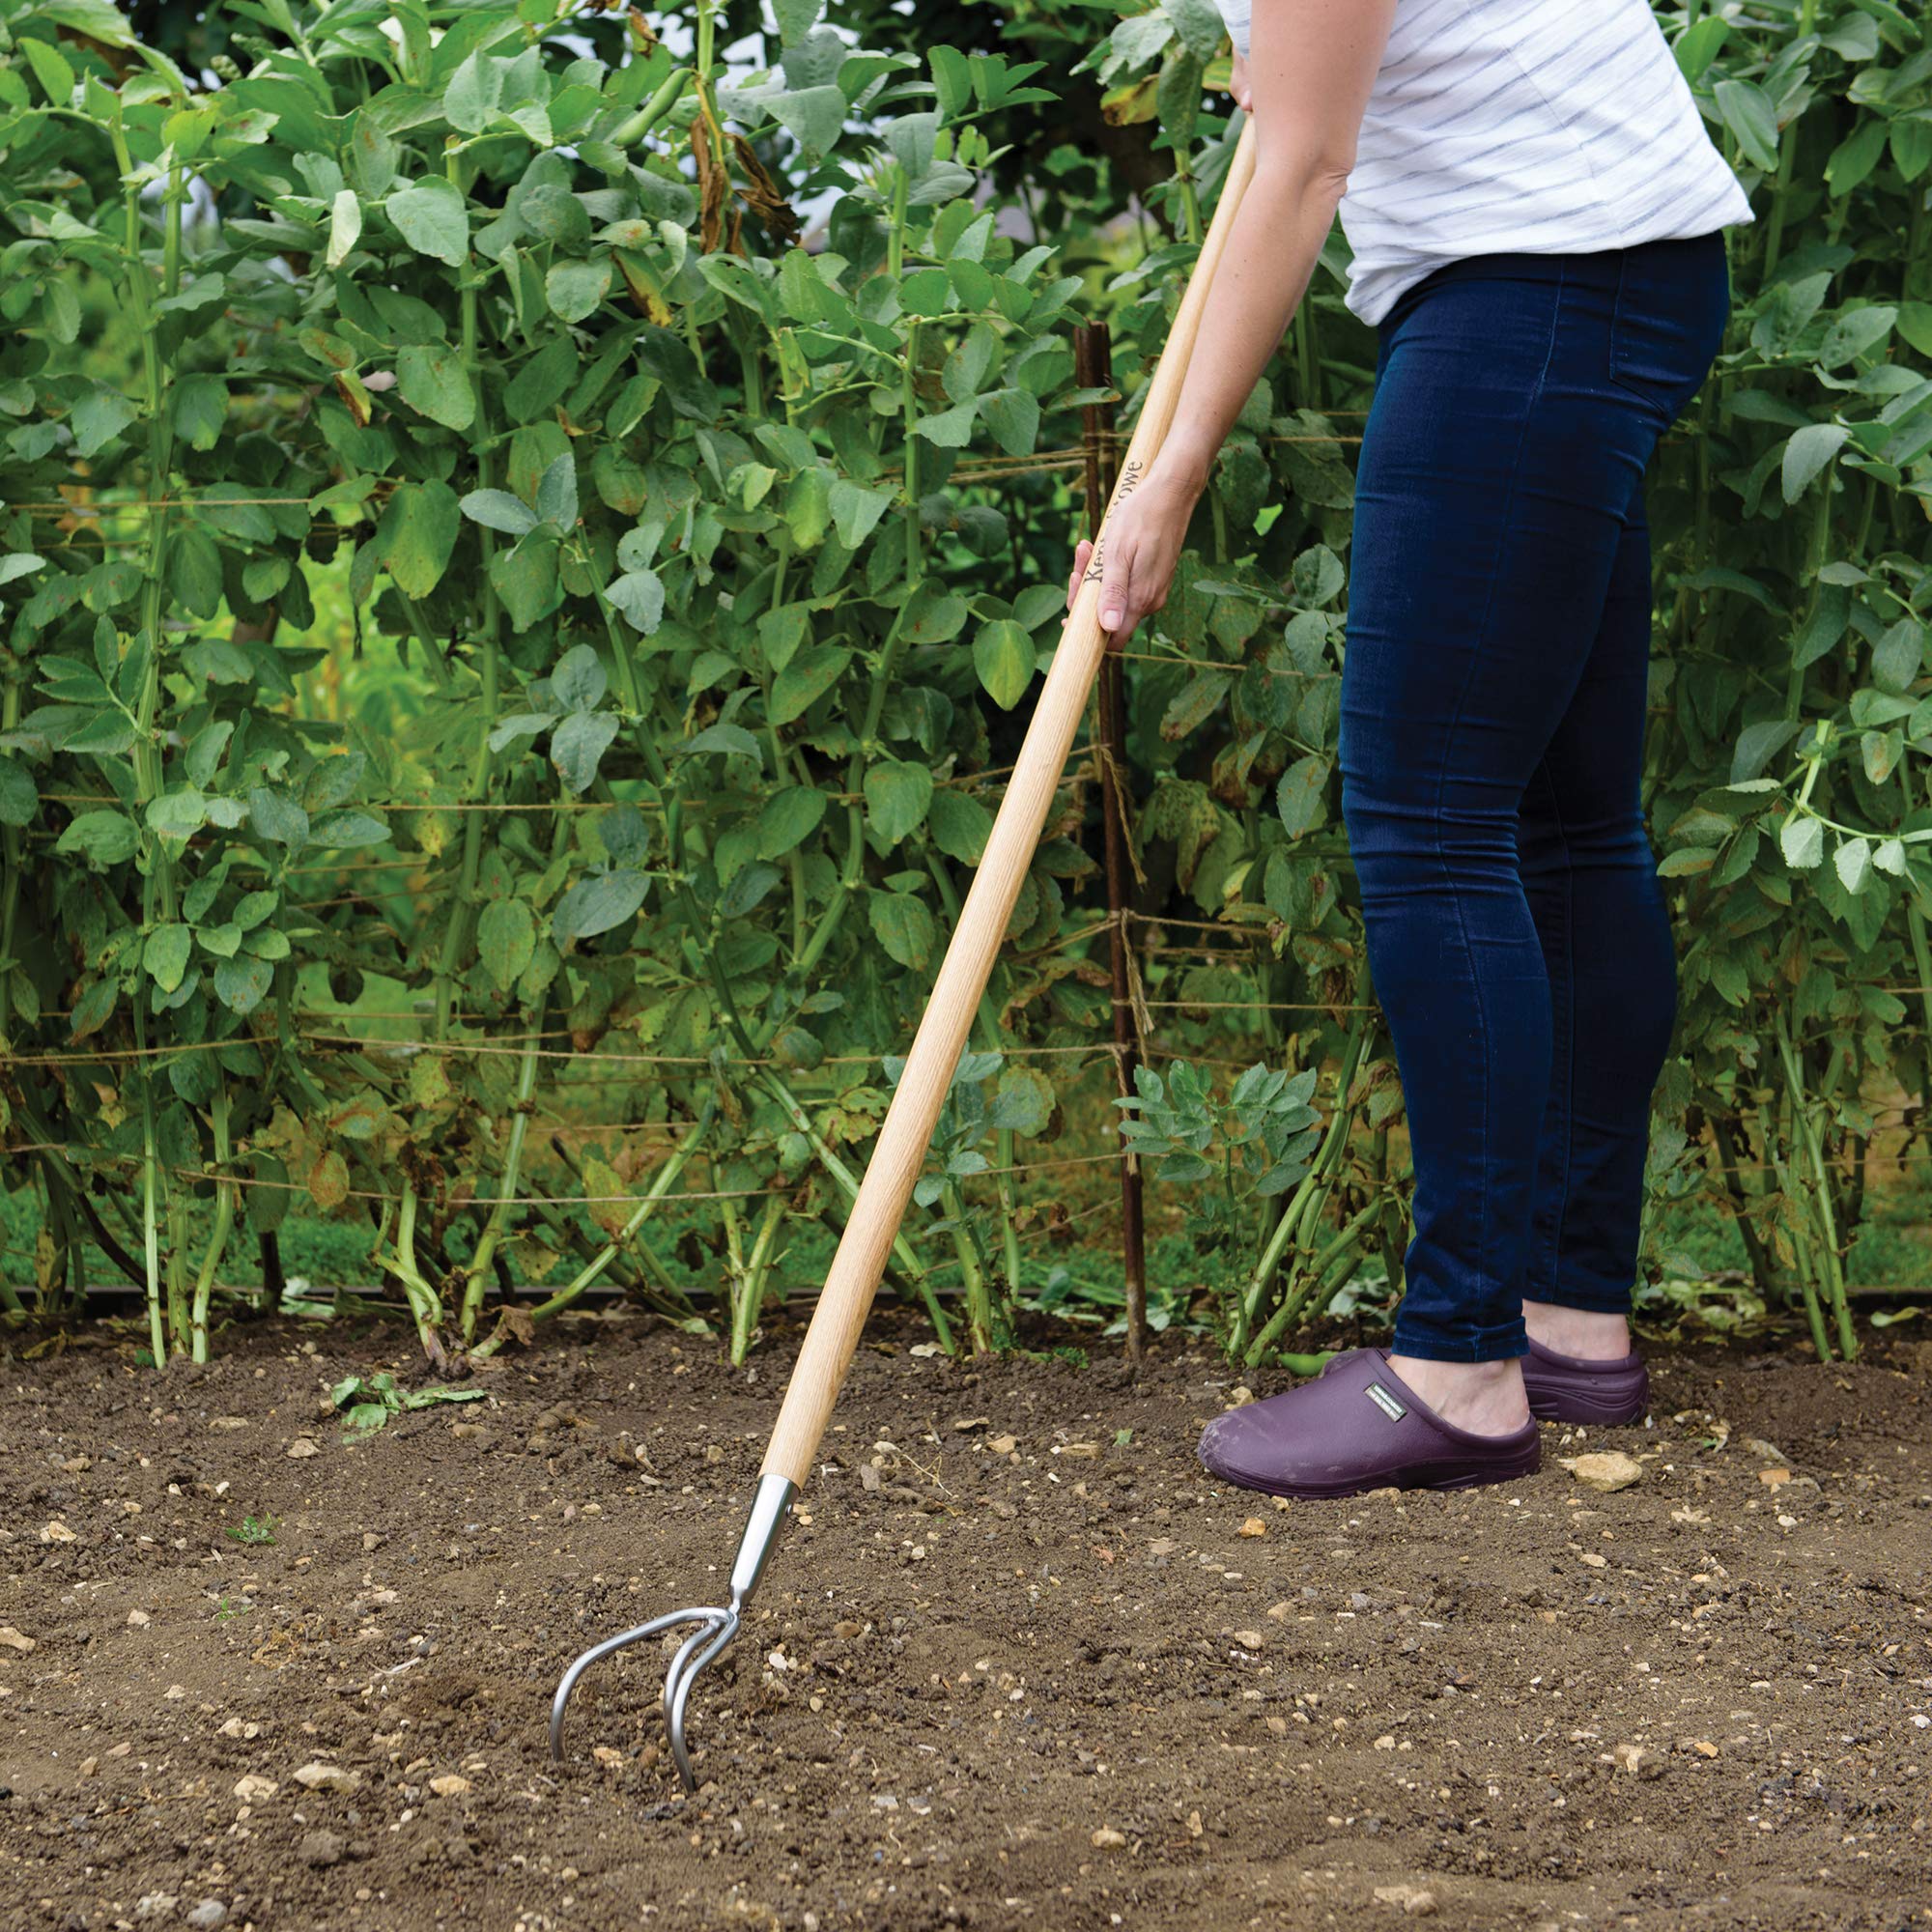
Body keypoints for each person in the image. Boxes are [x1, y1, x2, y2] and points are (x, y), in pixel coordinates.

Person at [1066, 0, 1749, 1498]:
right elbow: (1302, 96)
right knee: (1568, 821)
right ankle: (1569, 1322)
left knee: (1430, 822)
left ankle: (1459, 1365)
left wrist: (1170, 474)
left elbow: (1305, 162)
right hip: (1610, 259)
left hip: (1538, 278)